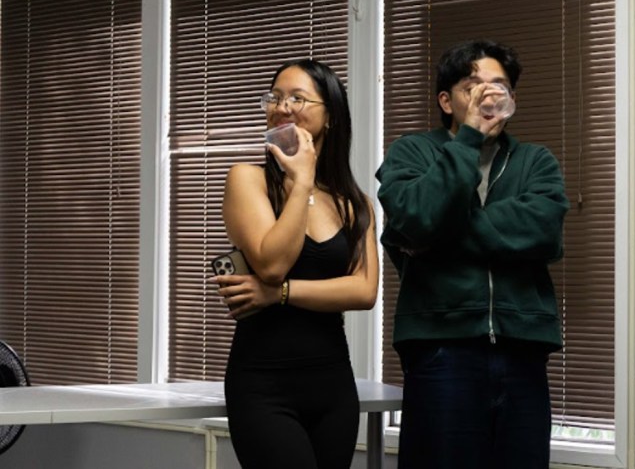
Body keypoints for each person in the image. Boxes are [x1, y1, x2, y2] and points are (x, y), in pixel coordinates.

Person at [375, 39, 569, 469]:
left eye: (499, 87)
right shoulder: (412, 153)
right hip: (441, 348)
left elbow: (543, 233)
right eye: (473, 87)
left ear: (512, 99)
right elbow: (418, 216)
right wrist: (467, 140)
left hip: (522, 351)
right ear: (447, 101)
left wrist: (439, 234)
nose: (488, 96)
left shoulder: (536, 161)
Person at [210, 58, 378, 469]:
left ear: (331, 116)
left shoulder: (354, 203)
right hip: (263, 384)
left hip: (333, 384)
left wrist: (280, 294)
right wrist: (300, 179)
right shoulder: (247, 180)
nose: (282, 106)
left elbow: (364, 290)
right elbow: (271, 263)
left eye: (297, 98)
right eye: (275, 97)